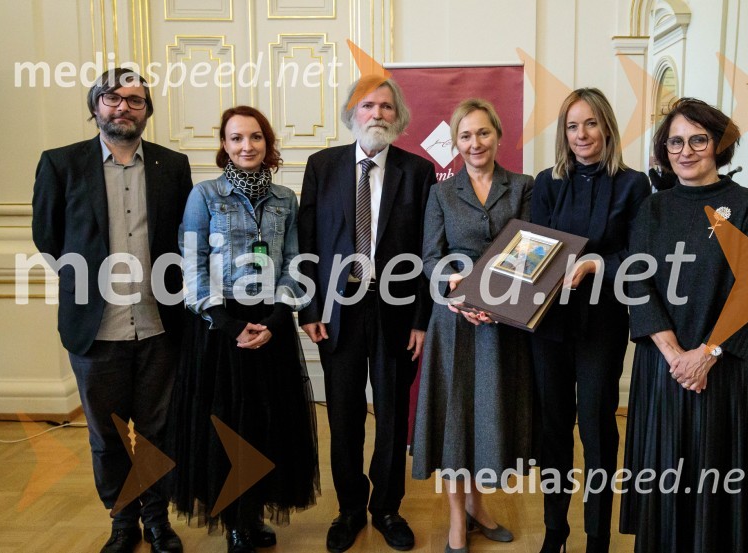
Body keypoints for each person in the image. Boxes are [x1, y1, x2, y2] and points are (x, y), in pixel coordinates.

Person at [31, 68, 192, 553]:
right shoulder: (61, 163)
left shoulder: (173, 164)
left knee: (158, 431)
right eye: (111, 97)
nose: (122, 107)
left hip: (160, 324)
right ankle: (122, 522)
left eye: (135, 100)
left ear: (147, 110)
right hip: (93, 328)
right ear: (95, 105)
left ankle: (157, 520)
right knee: (108, 436)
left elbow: (182, 239)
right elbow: (48, 237)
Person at [619, 98, 748, 552]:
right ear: (664, 149)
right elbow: (638, 283)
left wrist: (706, 354)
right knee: (664, 472)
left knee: (715, 476)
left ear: (718, 144)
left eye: (697, 140)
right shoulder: (653, 208)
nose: (685, 151)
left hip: (721, 368)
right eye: (674, 141)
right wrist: (675, 357)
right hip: (663, 367)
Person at [170, 106, 319, 553]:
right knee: (227, 425)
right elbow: (191, 265)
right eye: (236, 139)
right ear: (224, 145)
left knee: (266, 425)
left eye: (255, 138)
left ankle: (254, 514)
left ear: (267, 144)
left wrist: (276, 319)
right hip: (220, 327)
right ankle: (236, 519)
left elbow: (295, 266)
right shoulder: (204, 196)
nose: (246, 146)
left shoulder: (285, 199)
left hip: (271, 324)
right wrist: (227, 323)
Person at [298, 77, 436, 553]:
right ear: (350, 113)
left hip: (397, 313)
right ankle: (351, 508)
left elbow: (426, 252)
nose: (377, 113)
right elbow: (307, 243)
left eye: (386, 106)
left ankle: (387, 508)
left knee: (394, 415)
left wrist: (422, 319)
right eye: (367, 105)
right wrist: (308, 308)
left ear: (398, 118)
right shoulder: (322, 166)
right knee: (344, 415)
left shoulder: (417, 172)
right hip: (338, 312)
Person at [411, 98, 535, 553]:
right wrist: (458, 288)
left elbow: (533, 252)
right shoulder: (442, 192)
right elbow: (429, 258)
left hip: (502, 322)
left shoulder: (524, 186)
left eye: (483, 133)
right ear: (456, 142)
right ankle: (456, 523)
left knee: (486, 419)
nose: (475, 142)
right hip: (456, 320)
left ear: (498, 136)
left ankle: (477, 508)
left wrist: (497, 299)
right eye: (465, 135)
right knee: (455, 418)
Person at [530, 88, 650, 553]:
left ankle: (597, 536)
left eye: (591, 123)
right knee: (554, 427)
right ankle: (555, 530)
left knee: (597, 426)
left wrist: (598, 264)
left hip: (602, 323)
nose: (582, 134)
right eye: (572, 125)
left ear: (607, 127)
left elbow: (639, 257)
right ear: (564, 133)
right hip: (548, 324)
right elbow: (534, 250)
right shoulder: (547, 182)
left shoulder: (634, 184)